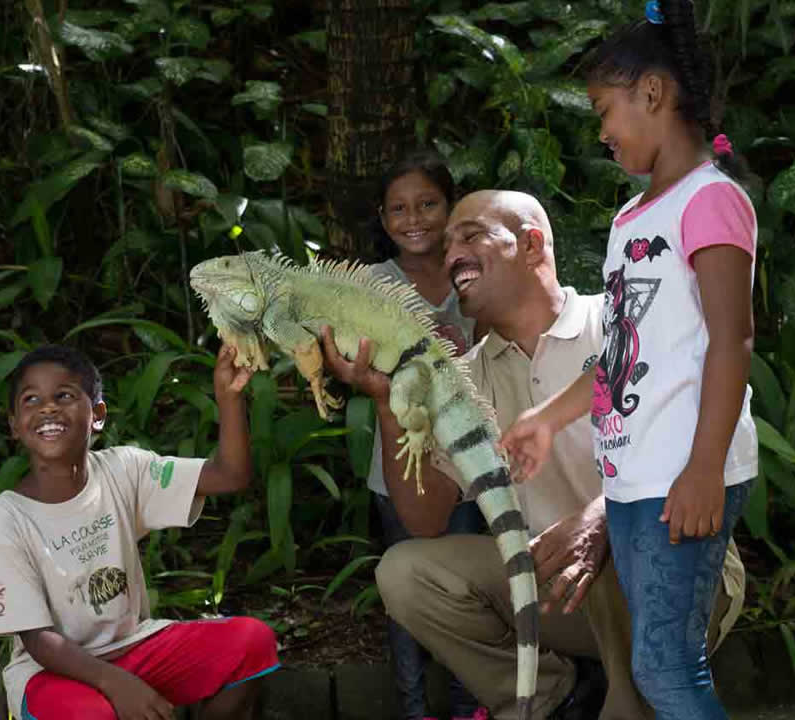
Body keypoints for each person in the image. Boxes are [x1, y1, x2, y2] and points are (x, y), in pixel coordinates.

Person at [319, 188, 746, 720]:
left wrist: (602, 519)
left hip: (679, 579)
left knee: (626, 543)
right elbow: (426, 519)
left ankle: (629, 703)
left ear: (530, 244)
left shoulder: (619, 322)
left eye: (470, 235)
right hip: (558, 589)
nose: (450, 255)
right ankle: (554, 698)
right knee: (408, 571)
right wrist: (388, 404)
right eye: (447, 243)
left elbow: (708, 433)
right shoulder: (466, 380)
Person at [500, 1, 760, 717]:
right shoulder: (630, 220)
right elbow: (619, 354)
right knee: (659, 665)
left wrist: (705, 469)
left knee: (666, 670)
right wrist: (547, 419)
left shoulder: (711, 201)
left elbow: (732, 341)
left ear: (652, 93)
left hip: (685, 477)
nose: (602, 132)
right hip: (636, 484)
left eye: (603, 110)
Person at [0, 344, 279, 720]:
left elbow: (230, 475)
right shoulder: (4, 518)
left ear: (97, 415)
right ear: (15, 426)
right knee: (96, 714)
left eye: (64, 395)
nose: (47, 408)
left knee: (252, 643)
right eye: (31, 399)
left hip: (133, 646)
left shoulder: (124, 470)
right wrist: (116, 683)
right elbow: (38, 640)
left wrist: (229, 398)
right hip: (49, 673)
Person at [363, 150, 488, 720]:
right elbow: (358, 360)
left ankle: (470, 708)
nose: (413, 219)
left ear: (451, 205)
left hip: (470, 464)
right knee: (404, 595)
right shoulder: (373, 284)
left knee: (467, 595)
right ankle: (414, 710)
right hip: (400, 465)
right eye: (398, 208)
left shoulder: (477, 267)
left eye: (428, 204)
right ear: (383, 218)